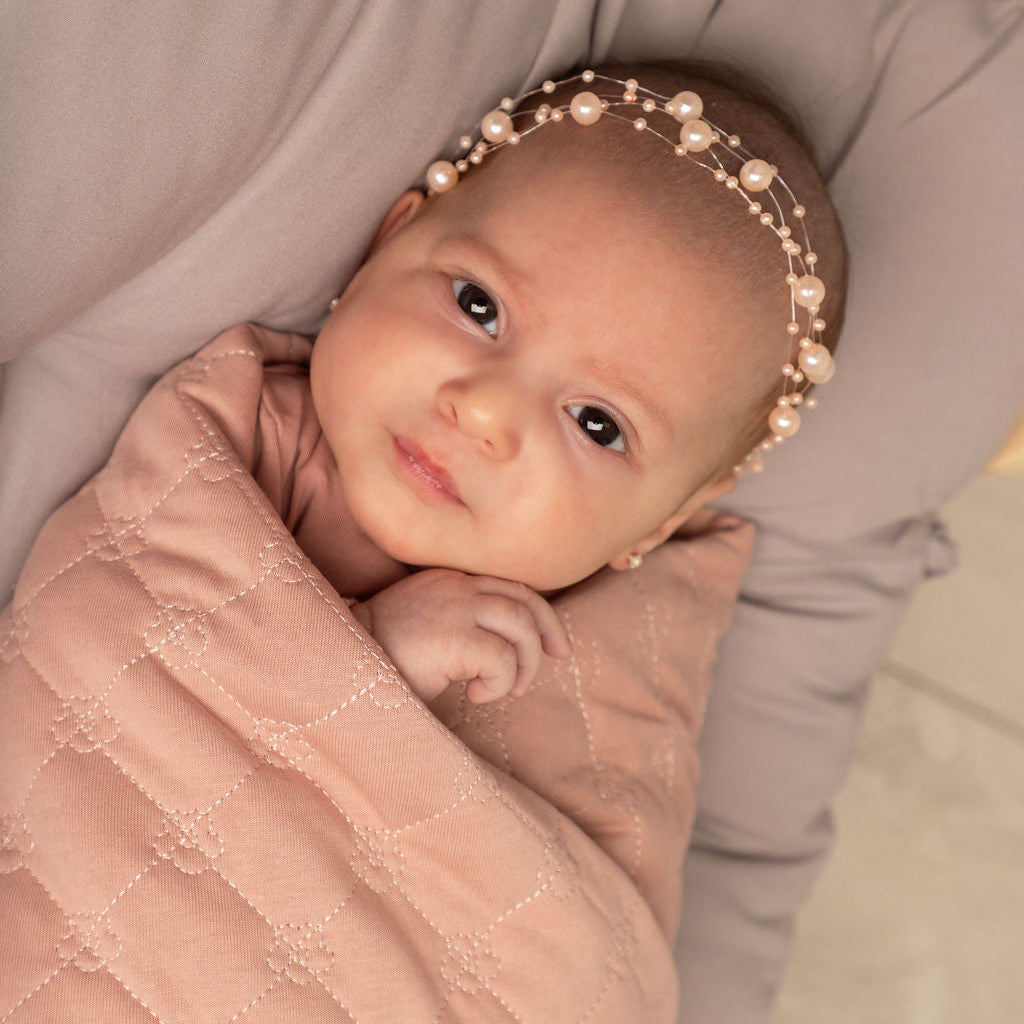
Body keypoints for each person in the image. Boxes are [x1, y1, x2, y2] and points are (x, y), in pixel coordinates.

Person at [237, 61, 845, 705]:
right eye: (478, 306)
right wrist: (370, 658)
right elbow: (127, 644)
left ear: (664, 520)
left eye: (596, 423)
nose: (484, 413)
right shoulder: (236, 430)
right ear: (386, 245)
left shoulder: (636, 652)